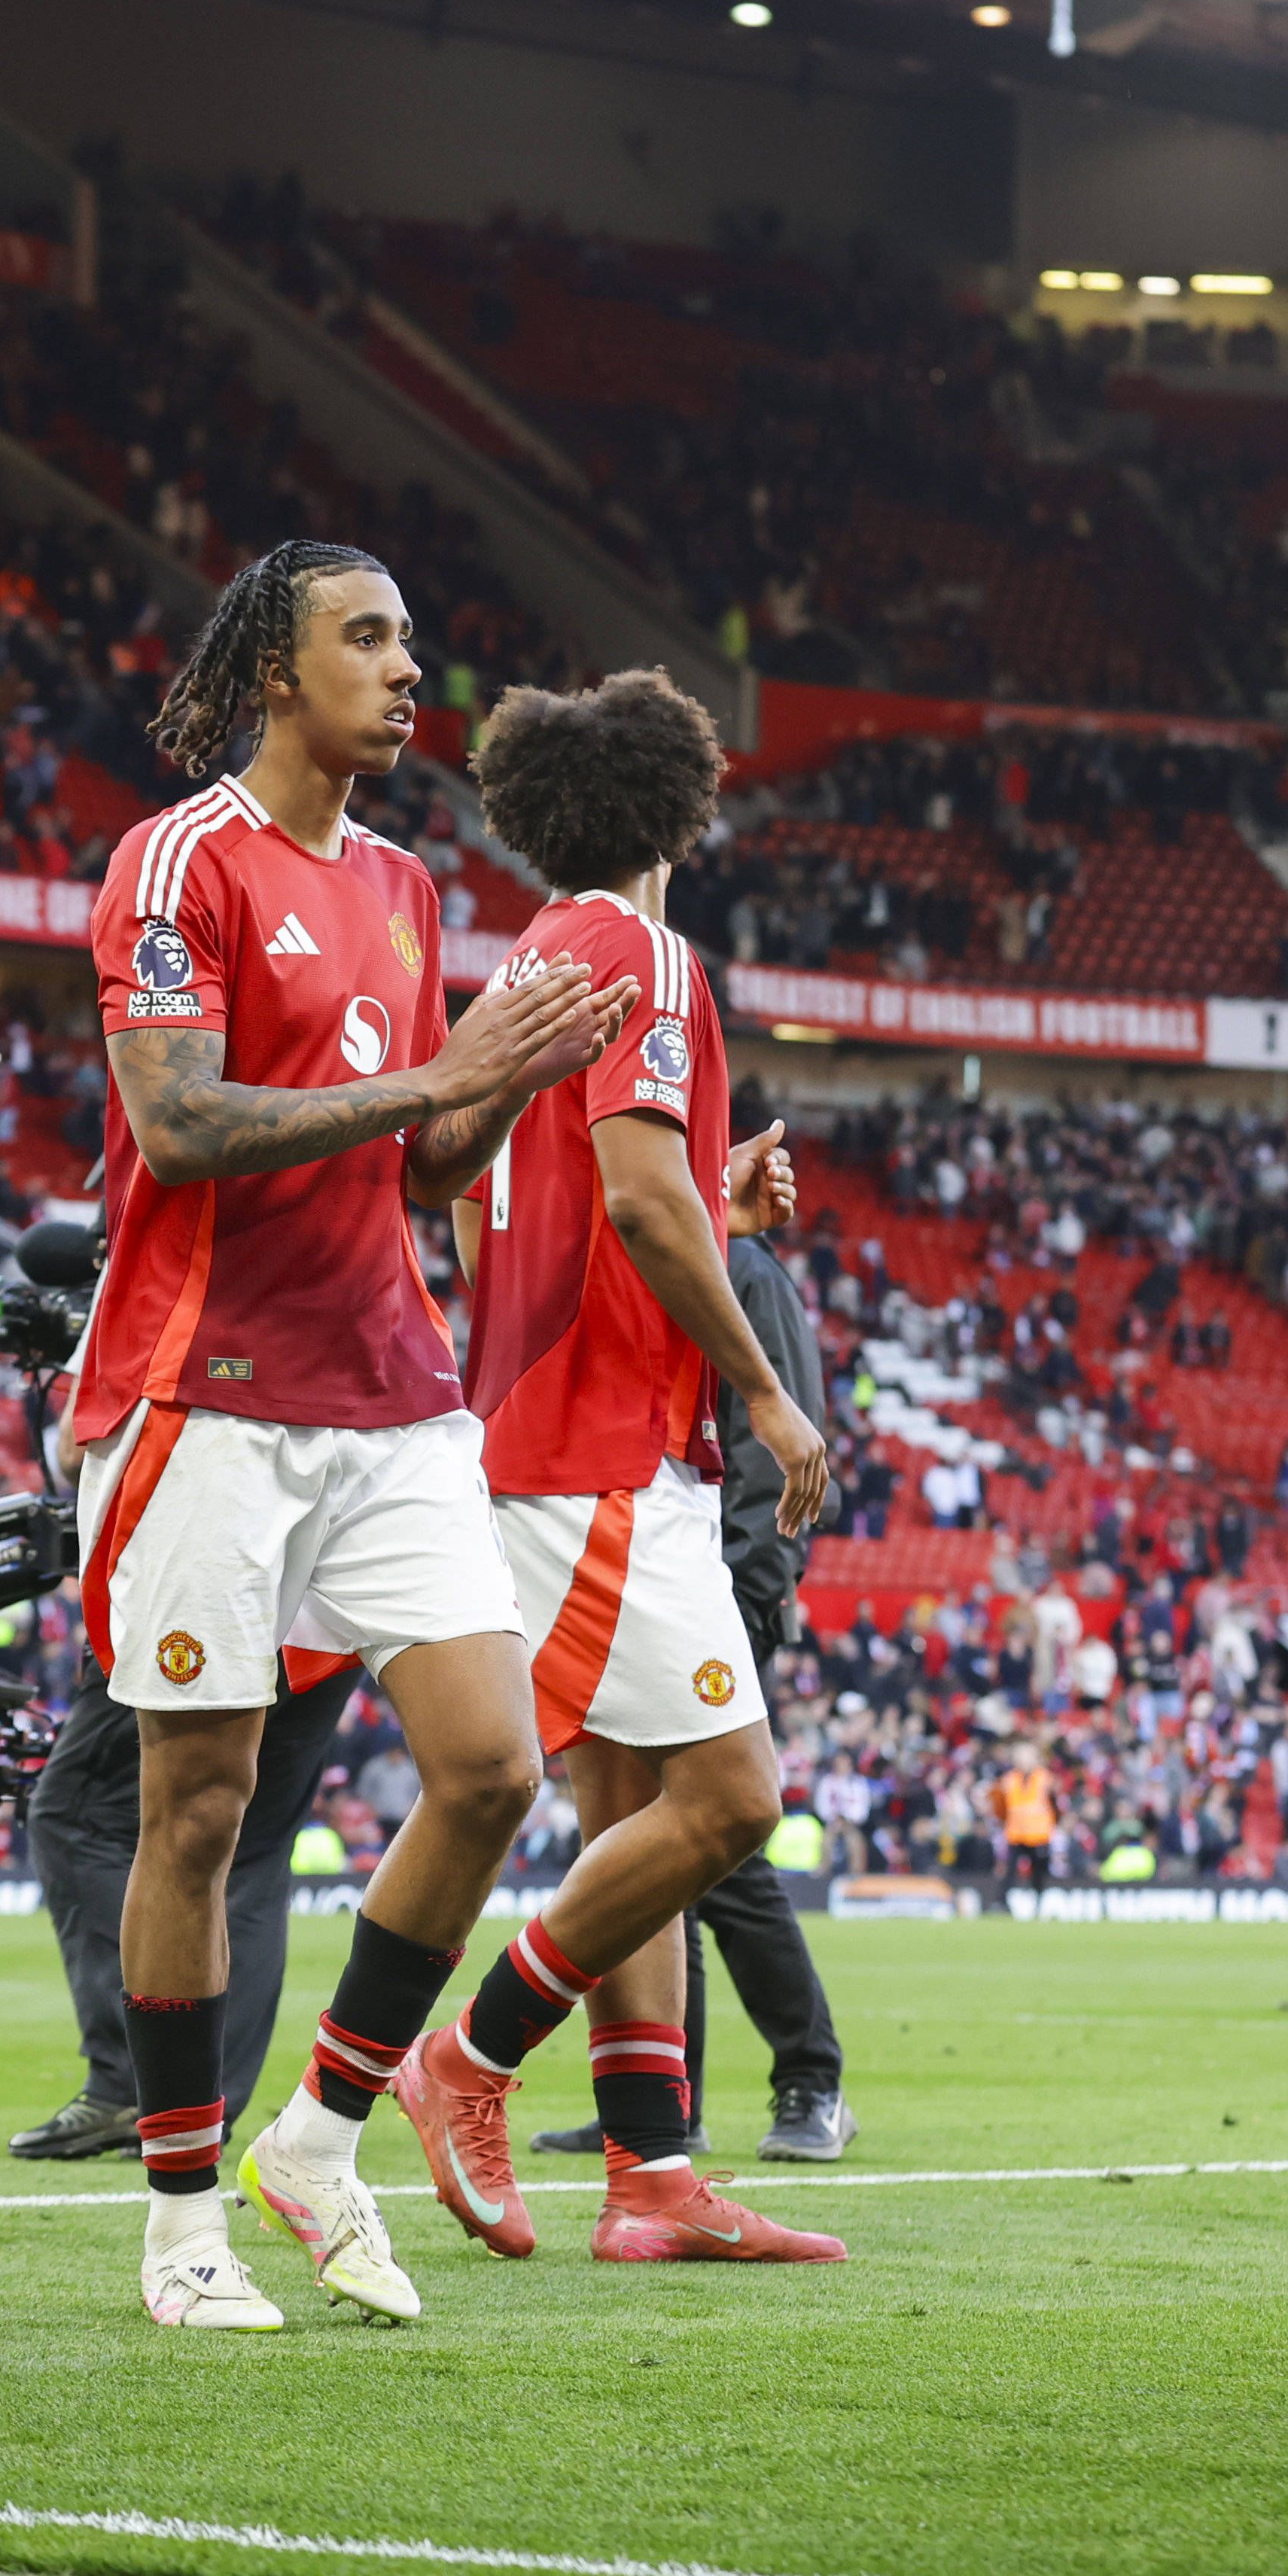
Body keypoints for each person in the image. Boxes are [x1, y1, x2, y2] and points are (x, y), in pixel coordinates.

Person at [78, 537, 632, 2334]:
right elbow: (176, 1124)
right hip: (201, 1392)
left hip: (389, 1390)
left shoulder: (401, 883)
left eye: (411, 640)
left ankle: (318, 2131)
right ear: (273, 671)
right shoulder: (177, 861)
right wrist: (444, 1074)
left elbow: (415, 1160)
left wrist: (509, 1072)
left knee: (488, 1766)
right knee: (202, 1807)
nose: (409, 670)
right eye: (367, 639)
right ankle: (178, 2225)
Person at [391, 668, 842, 2270]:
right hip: (602, 1451)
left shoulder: (529, 964)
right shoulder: (644, 954)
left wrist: (706, 1186)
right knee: (731, 1800)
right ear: (684, 803)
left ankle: (648, 2175)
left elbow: (494, 1204)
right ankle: (467, 2054)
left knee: (630, 1801)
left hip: (526, 1428)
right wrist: (764, 1395)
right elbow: (638, 1210)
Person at [536, 1203, 854, 2164]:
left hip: (712, 1592)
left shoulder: (743, 1269)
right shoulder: (669, 1257)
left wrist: (752, 1597)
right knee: (651, 1848)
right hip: (645, 1582)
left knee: (721, 1849)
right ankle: (660, 2095)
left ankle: (812, 2081)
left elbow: (770, 1450)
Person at [7, 1654, 363, 2160]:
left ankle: (134, 2086)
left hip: (216, 1606)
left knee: (74, 1820)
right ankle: (200, 2107)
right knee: (252, 1851)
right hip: (327, 1640)